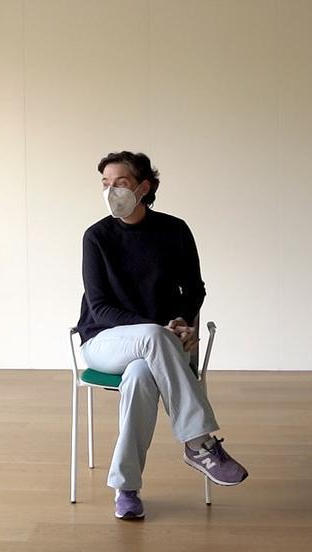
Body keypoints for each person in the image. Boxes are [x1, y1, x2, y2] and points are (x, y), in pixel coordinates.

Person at [76, 151, 248, 520]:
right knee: (153, 338)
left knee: (140, 375)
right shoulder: (97, 238)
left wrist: (183, 321)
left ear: (143, 187)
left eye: (119, 183)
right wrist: (161, 331)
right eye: (104, 184)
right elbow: (101, 308)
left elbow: (195, 290)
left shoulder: (174, 231)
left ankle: (126, 488)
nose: (110, 191)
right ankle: (198, 442)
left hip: (158, 347)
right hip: (105, 341)